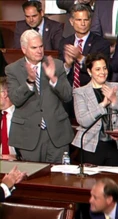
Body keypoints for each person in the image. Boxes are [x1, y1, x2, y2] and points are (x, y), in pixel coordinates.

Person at [6, 30, 74, 163]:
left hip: (56, 134)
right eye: (34, 47)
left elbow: (67, 96)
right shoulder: (12, 69)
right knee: (32, 178)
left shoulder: (56, 65)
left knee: (58, 179)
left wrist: (54, 79)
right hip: (28, 136)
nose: (39, 51)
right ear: (24, 49)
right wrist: (29, 82)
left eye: (41, 46)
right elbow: (15, 99)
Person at [72, 53, 118, 166]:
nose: (102, 72)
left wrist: (115, 101)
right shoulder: (80, 92)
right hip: (91, 145)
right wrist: (103, 104)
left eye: (104, 68)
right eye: (98, 69)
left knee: (116, 182)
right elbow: (83, 120)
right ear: (89, 71)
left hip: (116, 145)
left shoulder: (117, 88)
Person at [58, 3, 111, 93]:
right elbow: (60, 75)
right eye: (79, 20)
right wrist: (67, 65)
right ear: (71, 21)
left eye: (86, 20)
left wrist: (80, 57)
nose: (83, 24)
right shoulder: (65, 42)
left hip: (91, 93)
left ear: (90, 21)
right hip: (69, 93)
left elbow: (101, 72)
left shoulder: (101, 43)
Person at [0, 77, 18, 160]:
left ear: (4, 94)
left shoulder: (21, 116)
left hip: (19, 164)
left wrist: (17, 157)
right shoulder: (2, 116)